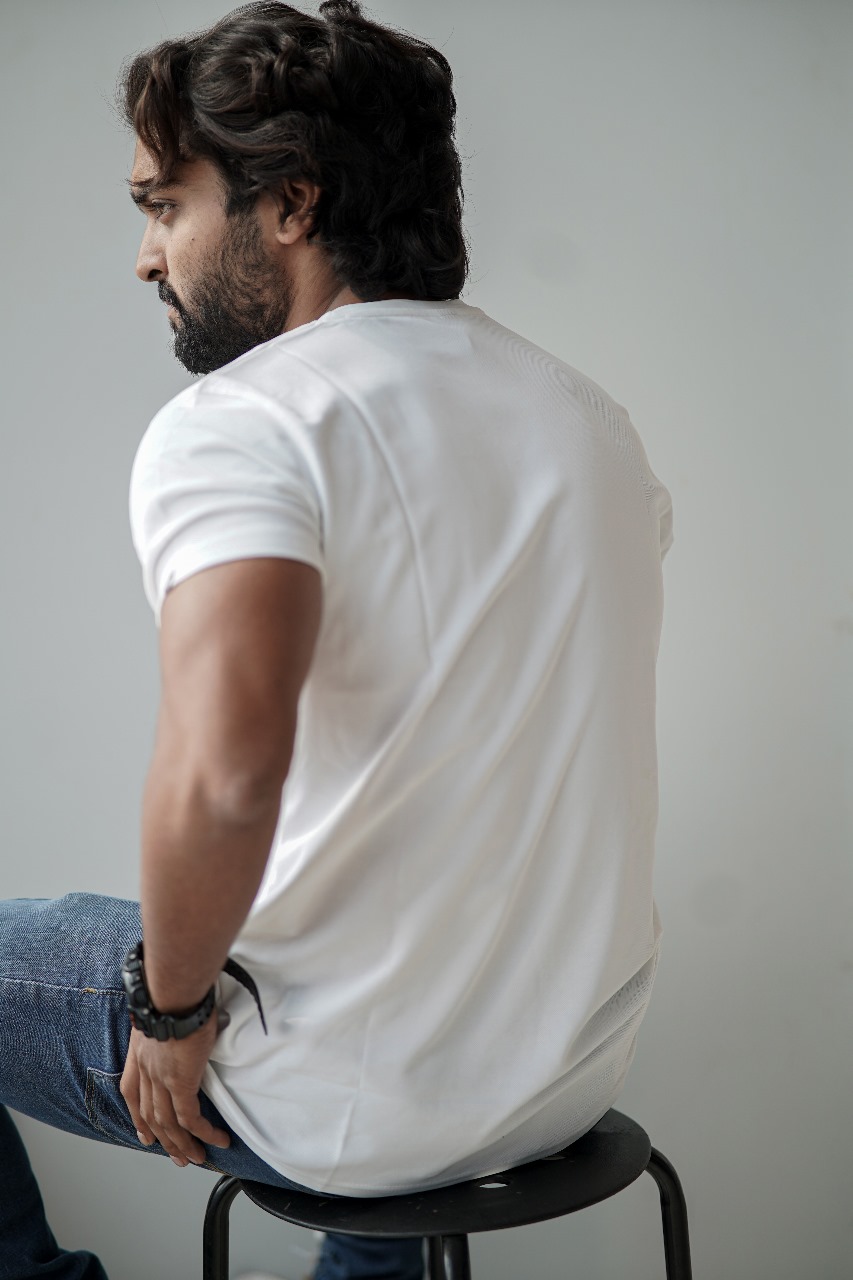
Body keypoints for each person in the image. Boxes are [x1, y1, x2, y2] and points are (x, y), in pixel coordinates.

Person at [0, 2, 673, 1278]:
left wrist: (171, 1010)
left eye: (166, 206)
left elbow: (224, 775)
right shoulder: (585, 418)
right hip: (558, 1073)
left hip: (347, 1092)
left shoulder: (246, 421)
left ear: (291, 203)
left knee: (256, 1009)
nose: (146, 257)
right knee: (367, 988)